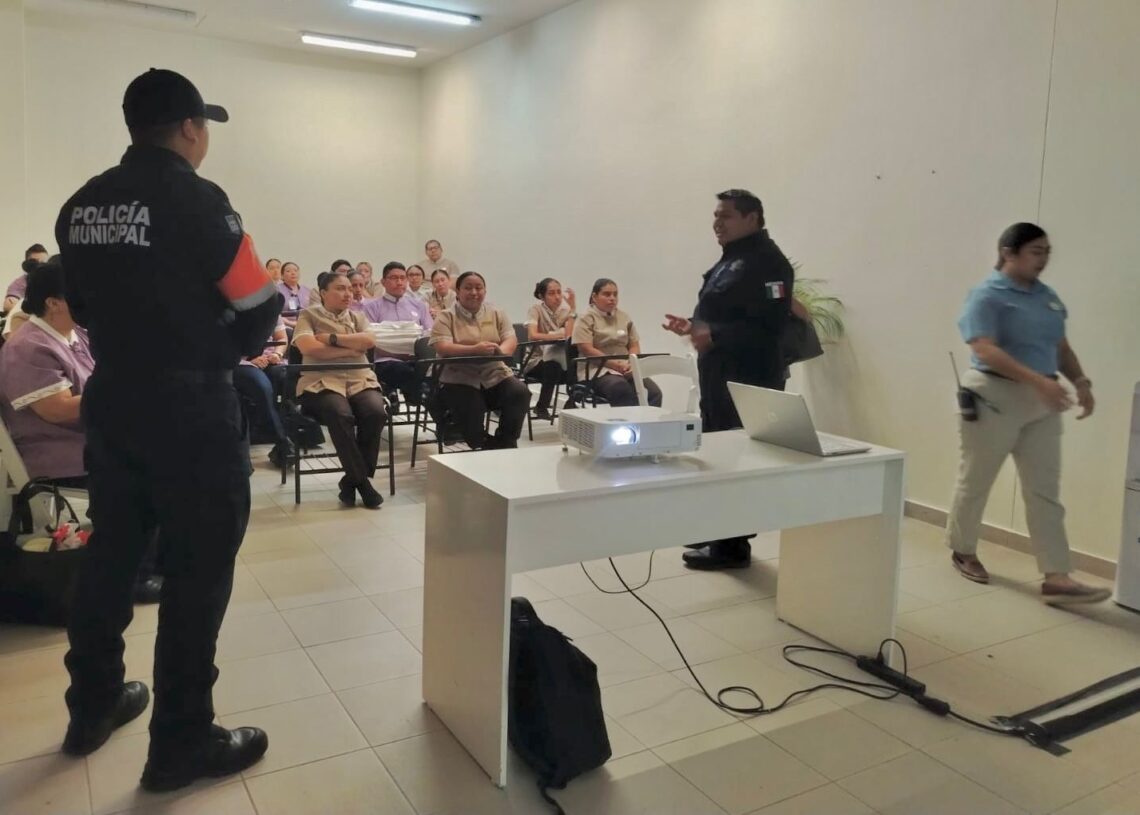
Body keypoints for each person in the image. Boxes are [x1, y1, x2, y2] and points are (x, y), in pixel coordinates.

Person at [55, 68, 280, 787]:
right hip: (191, 412)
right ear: (189, 128)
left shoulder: (80, 205)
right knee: (197, 572)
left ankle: (92, 705)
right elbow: (260, 307)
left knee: (112, 555)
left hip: (115, 400)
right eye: (202, 125)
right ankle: (181, 741)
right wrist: (217, 342)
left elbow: (80, 307)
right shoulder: (201, 201)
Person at [946, 223, 1107, 605]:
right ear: (1008, 252)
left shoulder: (1047, 297)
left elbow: (1060, 347)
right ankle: (963, 550)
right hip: (994, 396)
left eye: (1047, 251)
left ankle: (1057, 576)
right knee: (977, 479)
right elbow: (983, 348)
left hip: (1043, 402)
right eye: (1036, 251)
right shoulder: (987, 295)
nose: (1044, 259)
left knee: (1044, 490)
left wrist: (1081, 381)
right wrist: (1038, 381)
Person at [0, 259, 163, 604]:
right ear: (53, 302)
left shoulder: (74, 334)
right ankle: (136, 576)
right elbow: (56, 409)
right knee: (146, 475)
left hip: (90, 436)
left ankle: (156, 559)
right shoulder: (28, 347)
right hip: (60, 452)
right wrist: (120, 391)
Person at [663, 189, 793, 570]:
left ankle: (733, 545)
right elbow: (728, 312)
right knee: (718, 452)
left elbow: (770, 327)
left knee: (737, 457)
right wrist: (695, 325)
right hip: (720, 373)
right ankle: (716, 528)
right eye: (716, 216)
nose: (717, 223)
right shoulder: (734, 258)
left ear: (752, 218)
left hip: (748, 376)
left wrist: (714, 334)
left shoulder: (769, 263)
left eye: (726, 216)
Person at [293, 271, 387, 509]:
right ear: (323, 293)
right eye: (340, 288)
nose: (348, 293)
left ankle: (350, 481)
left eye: (350, 288)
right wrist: (352, 348)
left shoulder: (357, 316)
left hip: (360, 379)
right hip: (321, 381)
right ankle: (362, 483)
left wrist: (331, 339)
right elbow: (308, 347)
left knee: (376, 412)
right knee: (340, 413)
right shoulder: (308, 315)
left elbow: (369, 342)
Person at [430, 271, 531, 449]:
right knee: (473, 405)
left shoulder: (497, 313)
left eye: (479, 288)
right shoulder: (446, 316)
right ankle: (482, 444)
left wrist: (501, 351)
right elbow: (442, 346)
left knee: (519, 392)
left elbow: (510, 339)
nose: (474, 292)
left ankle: (506, 441)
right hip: (458, 376)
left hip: (494, 372)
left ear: (485, 290)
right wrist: (473, 350)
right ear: (458, 291)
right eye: (468, 288)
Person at [572, 278, 661, 408]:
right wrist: (615, 365)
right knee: (621, 389)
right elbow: (586, 349)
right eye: (607, 294)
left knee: (653, 392)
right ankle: (626, 421)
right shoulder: (585, 318)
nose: (612, 298)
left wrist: (631, 364)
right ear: (594, 297)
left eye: (615, 294)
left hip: (625, 368)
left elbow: (634, 345)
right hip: (597, 370)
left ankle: (647, 421)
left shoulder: (624, 317)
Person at [363, 262, 433, 408]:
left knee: (434, 370)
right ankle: (417, 393)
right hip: (385, 360)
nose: (399, 282)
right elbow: (370, 340)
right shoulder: (371, 307)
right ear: (383, 282)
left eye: (402, 278)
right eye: (394, 278)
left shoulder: (419, 306)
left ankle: (414, 393)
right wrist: (397, 355)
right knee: (403, 371)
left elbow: (429, 333)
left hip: (416, 359)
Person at [234, 316, 291, 468]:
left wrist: (277, 354)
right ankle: (281, 440)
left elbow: (281, 338)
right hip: (237, 363)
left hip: (267, 358)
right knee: (260, 385)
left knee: (284, 377)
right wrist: (249, 361)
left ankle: (280, 433)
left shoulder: (270, 309)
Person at [525, 277, 576, 420]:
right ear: (542, 296)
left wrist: (572, 309)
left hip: (560, 358)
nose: (557, 297)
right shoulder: (535, 309)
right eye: (552, 293)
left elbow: (569, 336)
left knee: (578, 365)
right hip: (536, 360)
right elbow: (533, 335)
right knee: (553, 366)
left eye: (559, 292)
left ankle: (571, 402)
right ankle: (541, 406)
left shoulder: (565, 311)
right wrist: (554, 336)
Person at [4, 244, 49, 313]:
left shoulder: (57, 279)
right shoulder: (20, 283)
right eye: (35, 263)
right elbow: (9, 305)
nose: (40, 267)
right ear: (27, 265)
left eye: (44, 263)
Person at [276, 261, 308, 329]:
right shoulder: (276, 290)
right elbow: (274, 313)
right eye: (288, 271)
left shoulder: (306, 290)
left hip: (306, 325)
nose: (293, 273)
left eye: (295, 270)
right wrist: (289, 323)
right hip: (285, 325)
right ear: (282, 276)